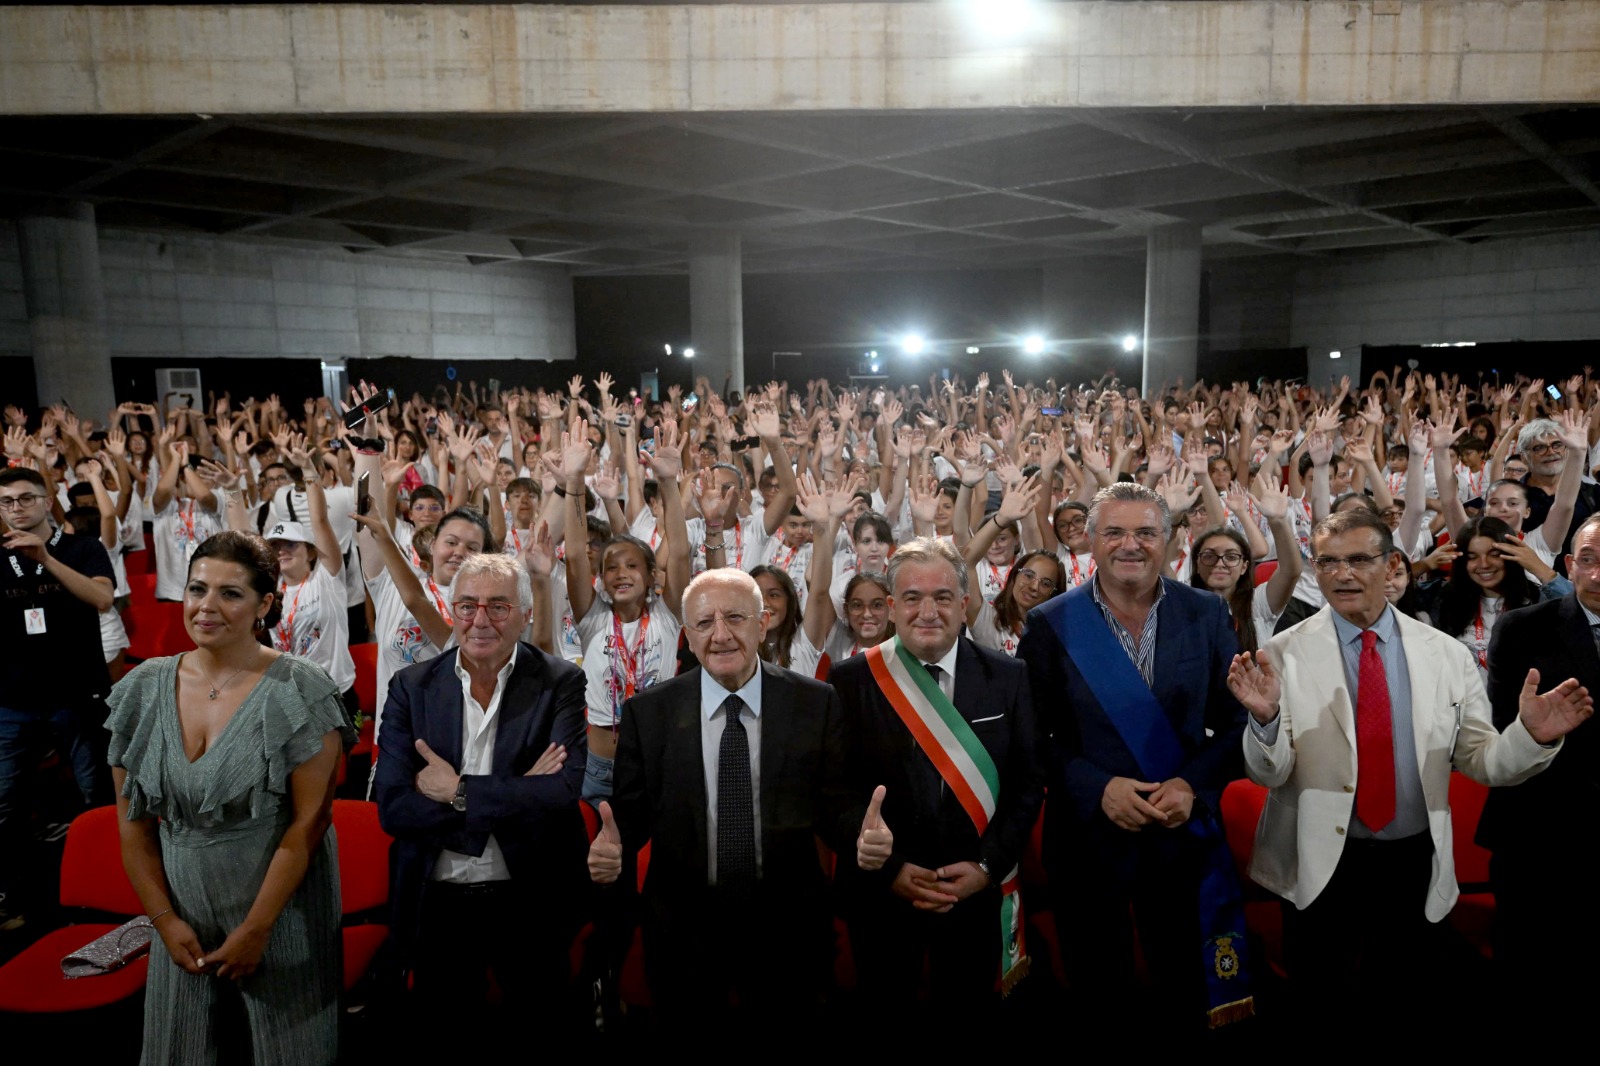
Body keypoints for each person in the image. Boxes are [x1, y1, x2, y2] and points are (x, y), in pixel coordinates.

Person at [1229, 508, 1591, 1021]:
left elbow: (1483, 761)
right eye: (1328, 562)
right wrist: (1263, 721)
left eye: (1358, 559)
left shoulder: (1444, 653)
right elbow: (1267, 773)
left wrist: (1528, 737)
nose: (1342, 574)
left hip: (1415, 860)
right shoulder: (1282, 653)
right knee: (1318, 1001)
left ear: (1392, 564)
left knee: (1408, 1000)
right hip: (1318, 861)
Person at [106, 531, 352, 1062]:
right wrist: (164, 920)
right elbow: (132, 823)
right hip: (181, 911)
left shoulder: (301, 689)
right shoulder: (143, 687)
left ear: (265, 603)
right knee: (178, 1051)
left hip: (281, 912)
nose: (206, 607)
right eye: (197, 589)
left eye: (230, 594)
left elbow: (309, 824)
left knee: (293, 1054)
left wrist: (258, 927)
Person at [1016, 482, 1252, 1030]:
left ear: (1169, 543)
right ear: (1091, 543)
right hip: (1087, 842)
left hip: (1181, 837)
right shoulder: (1051, 624)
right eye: (1115, 532)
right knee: (1100, 999)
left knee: (1182, 993)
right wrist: (1097, 788)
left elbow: (1237, 722)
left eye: (1146, 532)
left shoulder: (1206, 614)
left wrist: (1193, 787)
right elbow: (1032, 740)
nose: (1131, 545)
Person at [588, 568, 853, 1028]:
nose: (721, 635)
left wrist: (863, 838)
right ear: (687, 635)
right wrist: (612, 852)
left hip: (786, 931)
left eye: (735, 617)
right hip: (682, 933)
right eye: (705, 623)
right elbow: (629, 824)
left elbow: (833, 812)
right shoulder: (647, 714)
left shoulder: (816, 703)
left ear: (763, 622)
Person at [374, 552, 588, 1042]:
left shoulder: (560, 681)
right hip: (436, 897)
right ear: (451, 610)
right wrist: (513, 794)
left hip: (530, 894)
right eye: (467, 606)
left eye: (498, 606)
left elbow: (559, 791)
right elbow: (393, 805)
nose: (480, 620)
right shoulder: (411, 686)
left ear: (527, 614)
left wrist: (459, 791)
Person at [828, 536, 1045, 1011]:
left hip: (973, 890)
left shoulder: (1009, 676)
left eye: (943, 597)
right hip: (882, 896)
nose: (928, 611)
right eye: (912, 597)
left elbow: (1027, 784)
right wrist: (890, 868)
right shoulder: (849, 681)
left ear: (964, 605)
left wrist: (986, 867)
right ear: (890, 606)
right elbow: (832, 793)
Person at [1478, 512, 1600, 1018]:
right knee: (1532, 984)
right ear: (1569, 566)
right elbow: (1506, 727)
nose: (1597, 573)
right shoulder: (1522, 628)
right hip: (1541, 836)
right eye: (1588, 560)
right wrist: (1532, 731)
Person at [0, 467, 116, 929]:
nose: (15, 509)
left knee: (98, 796)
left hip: (77, 692)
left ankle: (112, 888)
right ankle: (12, 893)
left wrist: (46, 559)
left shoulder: (82, 548)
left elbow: (103, 599)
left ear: (48, 501)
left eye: (25, 499)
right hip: (13, 699)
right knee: (5, 802)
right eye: (6, 502)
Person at [561, 426, 691, 800]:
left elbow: (680, 553)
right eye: (611, 568)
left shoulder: (667, 614)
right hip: (598, 767)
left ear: (652, 576)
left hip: (657, 761)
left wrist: (669, 483)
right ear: (599, 579)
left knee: (653, 859)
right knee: (598, 858)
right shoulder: (593, 618)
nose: (621, 573)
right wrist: (574, 481)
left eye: (632, 566)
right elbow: (573, 556)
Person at [1190, 473, 1302, 653]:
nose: (1220, 563)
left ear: (1244, 566)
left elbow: (1291, 571)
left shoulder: (1257, 602)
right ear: (1197, 562)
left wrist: (1278, 521)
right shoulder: (1183, 601)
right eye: (1210, 556)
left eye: (1231, 557)